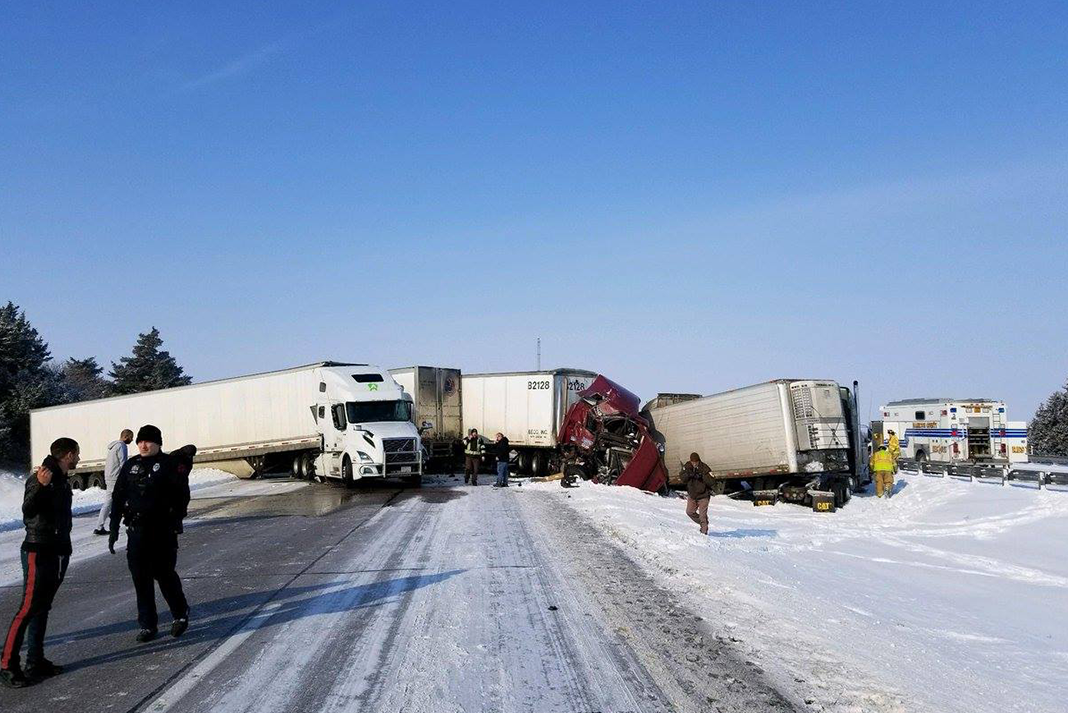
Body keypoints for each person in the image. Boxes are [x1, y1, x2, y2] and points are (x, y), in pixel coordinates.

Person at [1, 438, 79, 688]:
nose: (78, 458)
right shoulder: (42, 477)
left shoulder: (61, 479)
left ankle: (35, 660)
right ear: (68, 455)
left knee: (42, 606)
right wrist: (43, 487)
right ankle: (7, 665)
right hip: (39, 549)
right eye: (77, 454)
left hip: (56, 549)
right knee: (28, 607)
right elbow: (28, 509)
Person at [108, 425, 194, 643]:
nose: (143, 445)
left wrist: (176, 520)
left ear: (158, 443)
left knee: (165, 575)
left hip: (162, 531)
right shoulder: (131, 465)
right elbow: (118, 496)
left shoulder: (169, 465)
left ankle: (180, 614)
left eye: (148, 441)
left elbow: (182, 495)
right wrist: (114, 527)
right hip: (137, 532)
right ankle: (148, 625)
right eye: (140, 442)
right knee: (140, 579)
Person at [93, 429, 133, 536]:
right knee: (125, 498)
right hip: (116, 478)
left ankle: (99, 526)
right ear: (126, 436)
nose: (132, 440)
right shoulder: (121, 446)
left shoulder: (113, 446)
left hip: (109, 477)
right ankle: (130, 523)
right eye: (131, 437)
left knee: (110, 502)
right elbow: (123, 463)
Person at [682, 452, 715, 535]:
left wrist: (702, 476)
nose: (694, 464)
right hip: (692, 495)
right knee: (689, 512)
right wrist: (689, 474)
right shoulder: (687, 467)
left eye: (696, 462)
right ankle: (703, 523)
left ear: (699, 461)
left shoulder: (705, 468)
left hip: (704, 495)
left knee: (702, 515)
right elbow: (682, 478)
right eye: (692, 462)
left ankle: (704, 533)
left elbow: (712, 481)